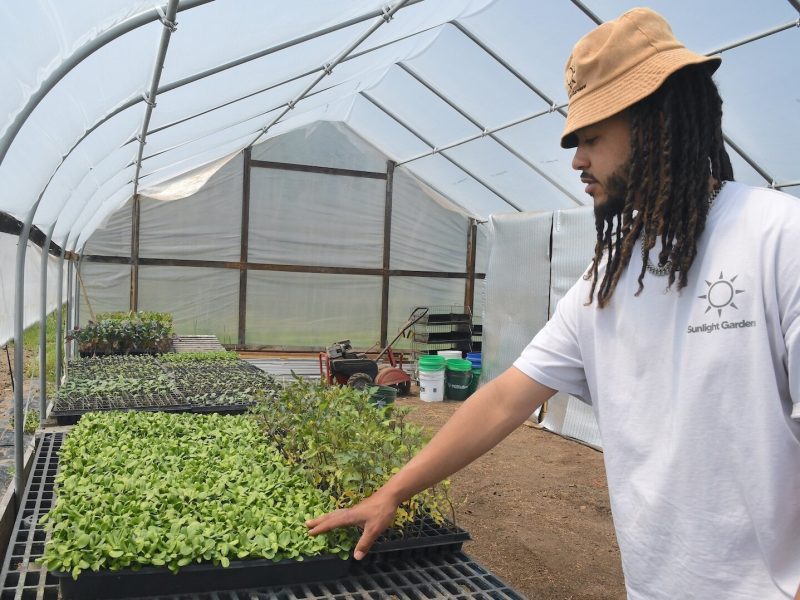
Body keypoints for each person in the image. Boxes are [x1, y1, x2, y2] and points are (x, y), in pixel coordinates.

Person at [306, 8, 800, 599]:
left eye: (592, 137)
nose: (576, 160)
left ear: (656, 123)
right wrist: (393, 491)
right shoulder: (607, 280)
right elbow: (504, 400)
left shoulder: (777, 239)